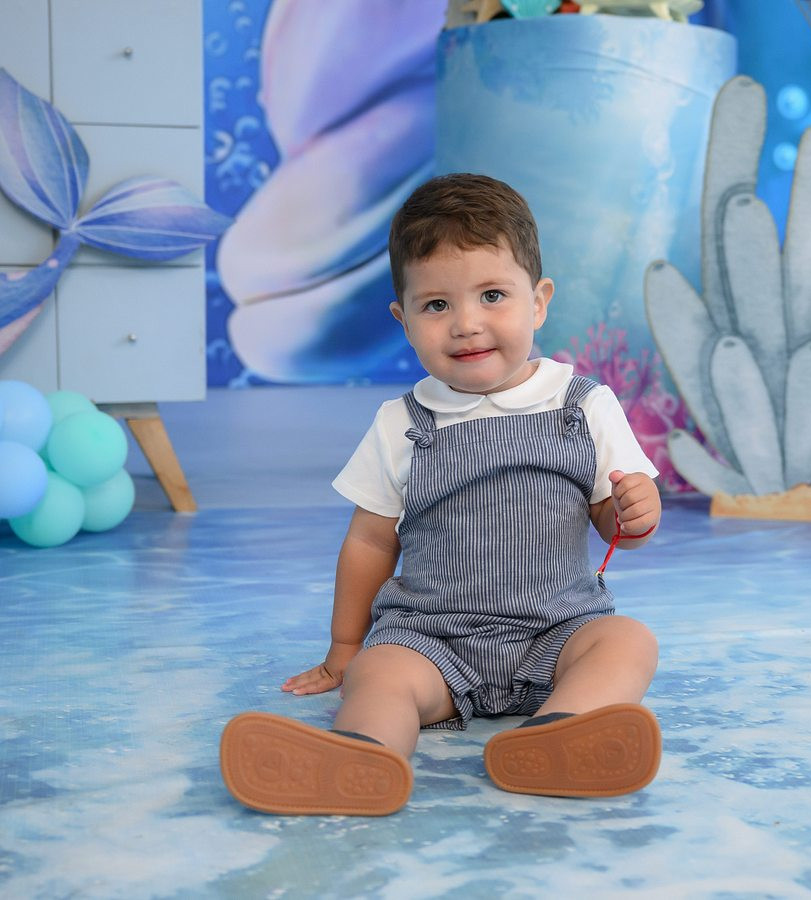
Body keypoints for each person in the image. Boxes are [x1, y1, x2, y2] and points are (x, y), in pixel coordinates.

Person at [220, 173, 663, 816]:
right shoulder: (401, 424)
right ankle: (363, 754)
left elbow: (613, 518)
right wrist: (345, 649)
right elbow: (370, 542)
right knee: (378, 674)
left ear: (538, 302)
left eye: (492, 295)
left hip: (558, 632)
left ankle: (559, 730)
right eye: (436, 306)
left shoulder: (583, 405)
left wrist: (634, 512)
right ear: (403, 321)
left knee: (627, 641)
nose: (467, 325)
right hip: (433, 640)